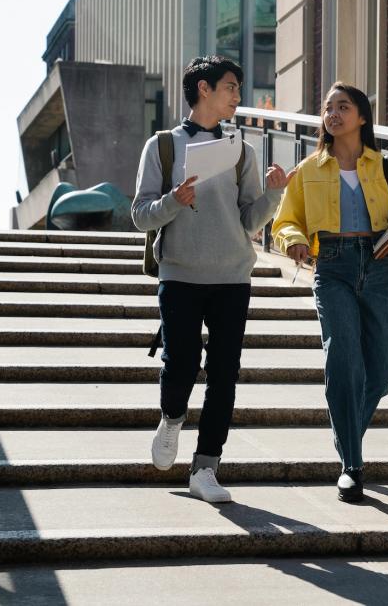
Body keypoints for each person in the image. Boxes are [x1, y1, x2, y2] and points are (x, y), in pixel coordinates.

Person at [132, 55, 293, 503]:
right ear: (203, 89)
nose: (238, 96)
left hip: (232, 276)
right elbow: (140, 216)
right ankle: (171, 417)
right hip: (180, 274)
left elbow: (248, 222)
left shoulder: (243, 150)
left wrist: (275, 193)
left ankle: (206, 468)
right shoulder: (161, 147)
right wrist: (174, 201)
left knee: (225, 373)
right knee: (180, 362)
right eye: (230, 87)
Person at [272, 82, 388, 502]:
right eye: (328, 107)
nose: (333, 113)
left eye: (343, 106)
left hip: (380, 264)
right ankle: (352, 464)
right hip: (333, 267)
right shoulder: (308, 169)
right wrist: (293, 239)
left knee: (381, 370)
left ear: (362, 117)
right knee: (343, 360)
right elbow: (284, 220)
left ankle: (346, 436)